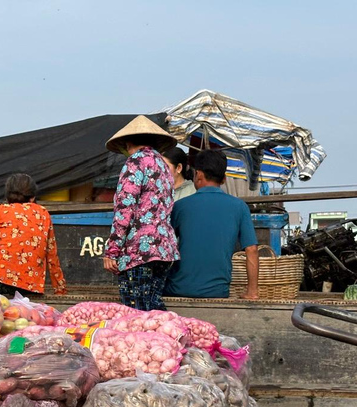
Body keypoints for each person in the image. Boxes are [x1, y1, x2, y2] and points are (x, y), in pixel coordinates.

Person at [102, 115, 180, 311]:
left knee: (136, 314)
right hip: (164, 250)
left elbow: (124, 209)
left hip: (139, 251)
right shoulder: (163, 165)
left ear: (128, 143)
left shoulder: (135, 162)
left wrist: (112, 251)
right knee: (154, 311)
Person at [164, 150, 259, 299]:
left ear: (198, 174)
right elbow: (252, 249)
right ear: (224, 179)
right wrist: (252, 292)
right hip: (217, 292)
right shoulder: (240, 207)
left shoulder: (180, 206)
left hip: (177, 289)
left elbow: (163, 244)